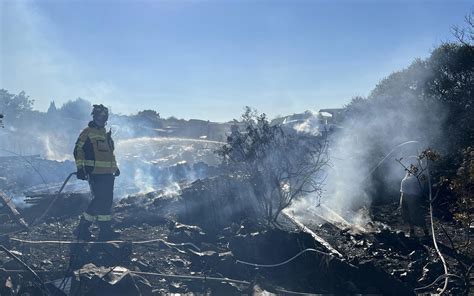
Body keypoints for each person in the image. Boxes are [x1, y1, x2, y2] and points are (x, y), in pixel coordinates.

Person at [73, 104, 120, 240]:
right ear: (94, 116)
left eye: (104, 116)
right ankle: (82, 229)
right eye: (99, 116)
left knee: (107, 202)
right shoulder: (87, 132)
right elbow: (78, 150)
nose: (102, 119)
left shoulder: (106, 134)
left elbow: (110, 154)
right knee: (98, 200)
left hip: (108, 174)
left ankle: (105, 231)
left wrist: (115, 168)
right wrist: (80, 168)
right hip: (95, 173)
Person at [400, 170, 429, 237]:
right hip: (404, 195)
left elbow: (421, 186)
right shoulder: (407, 176)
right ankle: (411, 230)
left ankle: (425, 231)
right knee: (406, 214)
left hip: (413, 196)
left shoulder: (419, 176)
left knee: (416, 214)